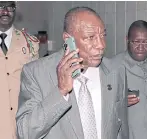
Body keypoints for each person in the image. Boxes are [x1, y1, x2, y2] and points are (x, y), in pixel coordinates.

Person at [16, 7, 129, 139]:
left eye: (103, 35)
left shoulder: (116, 71)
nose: (101, 45)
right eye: (90, 37)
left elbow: (121, 130)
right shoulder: (36, 73)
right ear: (68, 39)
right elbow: (25, 132)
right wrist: (61, 91)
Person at [0, 1, 39, 139]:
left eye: (9, 7)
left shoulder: (30, 43)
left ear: (15, 10)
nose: (5, 11)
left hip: (21, 124)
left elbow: (36, 84)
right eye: (0, 6)